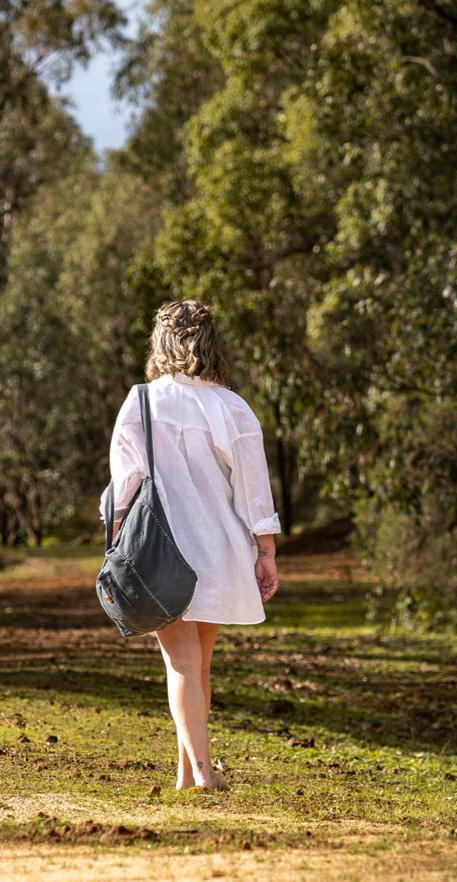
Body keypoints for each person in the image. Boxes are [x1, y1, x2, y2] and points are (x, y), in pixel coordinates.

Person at [99, 299, 281, 791]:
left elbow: (127, 481)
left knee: (181, 663)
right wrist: (266, 552)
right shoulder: (233, 407)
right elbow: (253, 489)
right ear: (210, 344)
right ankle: (191, 772)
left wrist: (115, 535)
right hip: (220, 551)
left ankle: (198, 773)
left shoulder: (141, 402)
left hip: (163, 551)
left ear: (160, 344)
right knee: (199, 665)